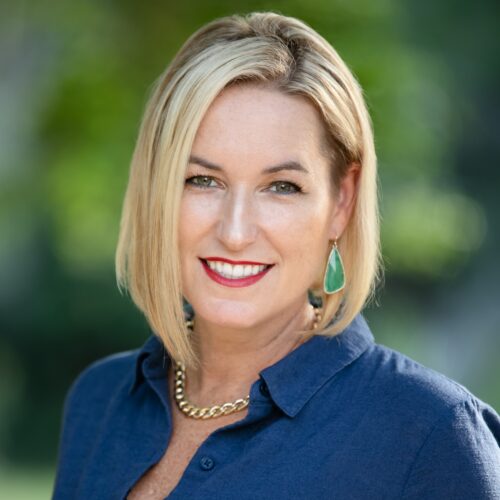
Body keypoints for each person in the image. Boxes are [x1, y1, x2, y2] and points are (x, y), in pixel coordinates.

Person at [52, 12, 500, 500]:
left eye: (282, 187)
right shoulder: (98, 401)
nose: (235, 232)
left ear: (342, 202)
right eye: (203, 180)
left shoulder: (432, 435)